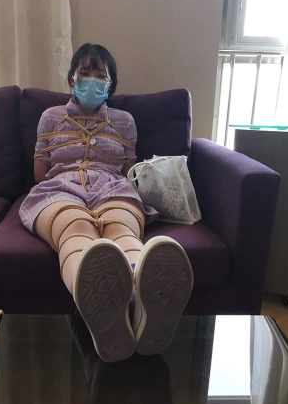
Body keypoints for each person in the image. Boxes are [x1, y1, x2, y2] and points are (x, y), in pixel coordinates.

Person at [19, 43, 193, 362]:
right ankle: (109, 308)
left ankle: (143, 304)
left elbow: (129, 171)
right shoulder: (50, 117)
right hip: (58, 187)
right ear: (72, 78)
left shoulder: (124, 121)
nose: (92, 80)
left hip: (113, 187)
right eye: (85, 72)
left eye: (101, 75)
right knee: (76, 229)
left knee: (120, 230)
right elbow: (40, 172)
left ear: (111, 84)